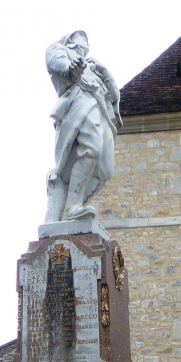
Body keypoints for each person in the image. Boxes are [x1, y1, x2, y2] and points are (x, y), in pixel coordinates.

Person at [44, 31, 121, 221]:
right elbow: (55, 63)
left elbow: (115, 96)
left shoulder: (94, 66)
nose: (86, 43)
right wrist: (71, 68)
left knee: (105, 169)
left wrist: (106, 74)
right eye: (81, 38)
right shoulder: (60, 50)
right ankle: (72, 205)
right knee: (91, 147)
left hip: (102, 110)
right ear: (71, 41)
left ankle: (70, 206)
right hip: (81, 101)